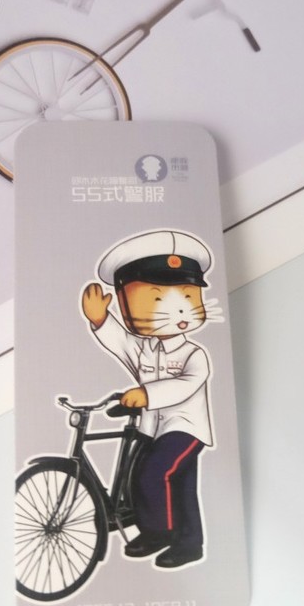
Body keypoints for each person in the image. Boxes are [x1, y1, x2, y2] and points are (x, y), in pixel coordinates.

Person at [81, 229, 215, 569]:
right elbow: (121, 344)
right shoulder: (144, 348)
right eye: (157, 300)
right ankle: (186, 542)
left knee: (156, 474)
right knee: (176, 484)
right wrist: (100, 320)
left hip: (186, 427)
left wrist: (146, 394)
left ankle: (160, 533)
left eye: (188, 297)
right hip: (152, 427)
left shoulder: (194, 353)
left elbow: (186, 385)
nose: (179, 312)